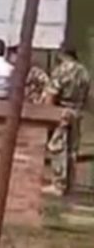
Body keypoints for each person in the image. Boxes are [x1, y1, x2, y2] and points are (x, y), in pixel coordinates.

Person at [42, 43, 90, 196]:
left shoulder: (62, 70)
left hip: (62, 110)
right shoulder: (84, 72)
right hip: (77, 111)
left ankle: (58, 184)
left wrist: (47, 114)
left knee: (58, 147)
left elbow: (52, 92)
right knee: (72, 149)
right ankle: (70, 183)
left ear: (62, 54)